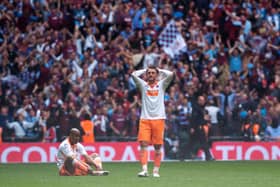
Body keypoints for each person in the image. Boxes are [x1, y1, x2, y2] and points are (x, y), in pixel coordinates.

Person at [131, 65, 174, 177]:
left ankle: (156, 171)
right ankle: (144, 170)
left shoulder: (161, 85)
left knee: (157, 147)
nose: (150, 75)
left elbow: (171, 74)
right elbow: (133, 74)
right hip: (145, 119)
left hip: (159, 119)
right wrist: (144, 70)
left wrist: (159, 70)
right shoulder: (143, 85)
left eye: (153, 73)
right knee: (143, 144)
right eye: (148, 73)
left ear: (157, 74)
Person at [190, 95, 214, 161]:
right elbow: (194, 118)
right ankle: (208, 156)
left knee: (199, 142)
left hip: (201, 127)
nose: (202, 101)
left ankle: (192, 155)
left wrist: (206, 121)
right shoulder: (196, 108)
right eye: (201, 100)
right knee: (203, 142)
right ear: (198, 101)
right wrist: (192, 127)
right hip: (198, 127)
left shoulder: (202, 108)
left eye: (203, 100)